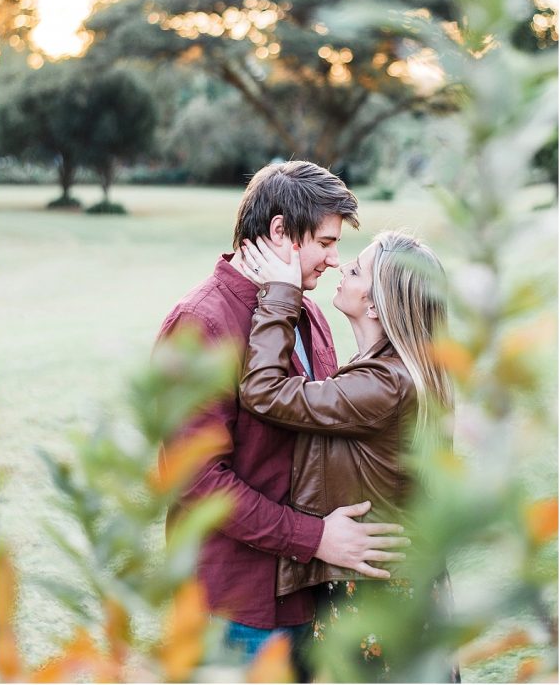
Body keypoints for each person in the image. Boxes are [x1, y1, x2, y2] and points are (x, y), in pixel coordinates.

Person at [156, 161, 410, 673]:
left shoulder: (308, 312)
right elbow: (195, 478)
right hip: (234, 606)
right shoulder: (201, 323)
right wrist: (313, 537)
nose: (335, 260)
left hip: (307, 596)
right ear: (280, 232)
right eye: (325, 242)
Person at [238, 230, 460, 682]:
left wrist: (279, 296)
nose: (341, 266)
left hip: (377, 591)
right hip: (393, 578)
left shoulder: (384, 384)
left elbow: (264, 391)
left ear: (375, 305)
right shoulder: (395, 370)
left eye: (356, 270)